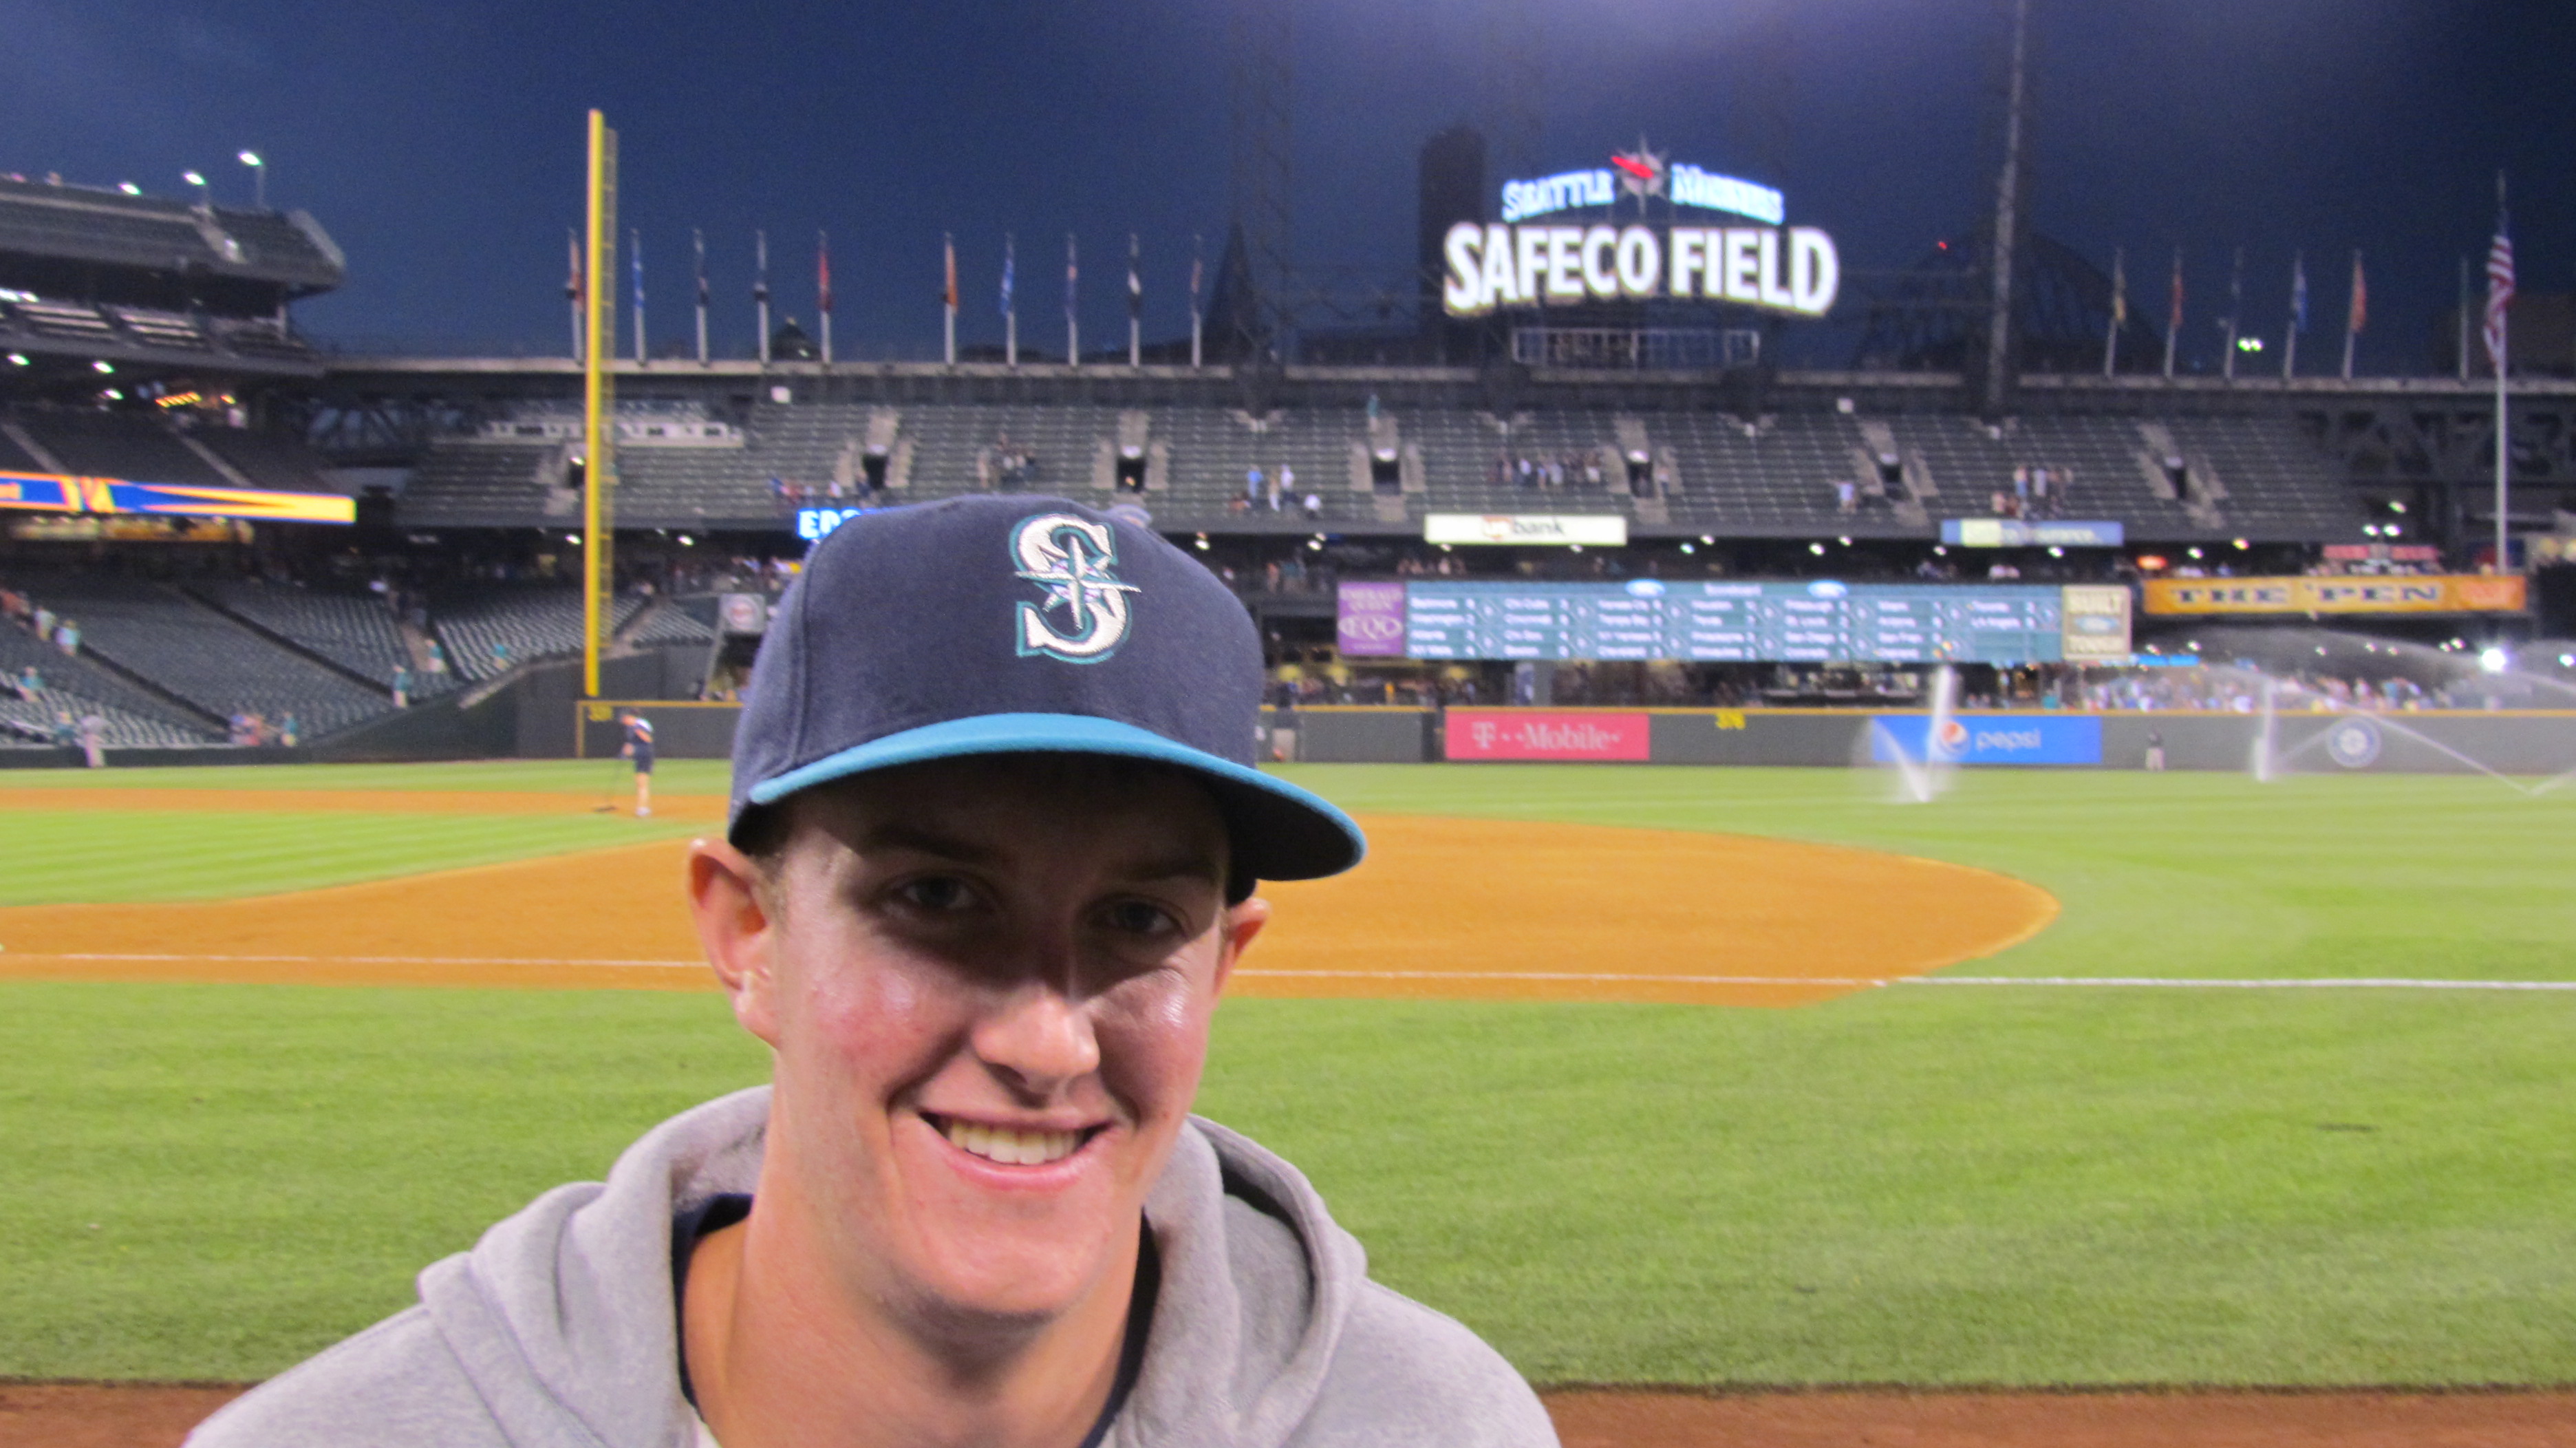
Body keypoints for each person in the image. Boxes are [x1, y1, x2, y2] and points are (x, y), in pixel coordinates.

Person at [191, 495, 1551, 1448]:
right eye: (937, 897)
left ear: (1223, 965)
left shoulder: (1442, 1424)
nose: (1049, 1038)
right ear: (748, 932)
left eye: (1138, 918)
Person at [619, 708, 656, 817]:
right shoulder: (630, 728)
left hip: (645, 755)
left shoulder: (640, 724)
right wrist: (628, 749)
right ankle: (643, 807)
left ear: (630, 717)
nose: (624, 721)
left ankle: (642, 808)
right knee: (640, 783)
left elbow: (648, 739)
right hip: (639, 756)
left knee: (642, 783)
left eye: (625, 719)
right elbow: (632, 743)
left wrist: (638, 732)